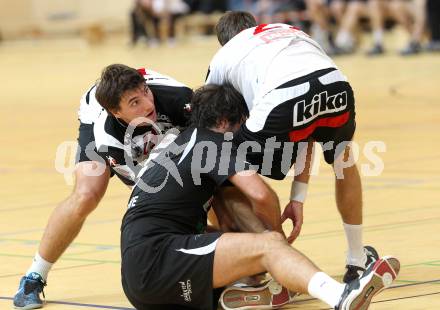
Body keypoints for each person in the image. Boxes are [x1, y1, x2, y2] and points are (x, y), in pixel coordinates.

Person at [121, 83, 400, 310]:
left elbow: (225, 224)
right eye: (241, 125)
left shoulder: (179, 144)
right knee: (269, 246)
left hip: (149, 271)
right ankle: (341, 296)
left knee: (248, 244)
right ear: (222, 121)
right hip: (156, 259)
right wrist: (278, 243)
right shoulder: (211, 143)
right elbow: (261, 194)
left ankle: (247, 291)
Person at [205, 11, 377, 284]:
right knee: (343, 163)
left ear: (224, 42)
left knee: (221, 169)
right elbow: (307, 129)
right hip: (336, 84)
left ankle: (270, 265)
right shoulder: (289, 30)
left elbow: (208, 124)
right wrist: (298, 197)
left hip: (282, 96)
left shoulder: (225, 57)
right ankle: (357, 259)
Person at [13, 64, 193, 309]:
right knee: (87, 195)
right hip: (99, 117)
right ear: (116, 112)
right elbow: (151, 193)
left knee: (203, 180)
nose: (148, 105)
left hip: (163, 118)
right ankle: (34, 276)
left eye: (146, 94)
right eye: (135, 103)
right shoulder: (107, 135)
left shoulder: (180, 99)